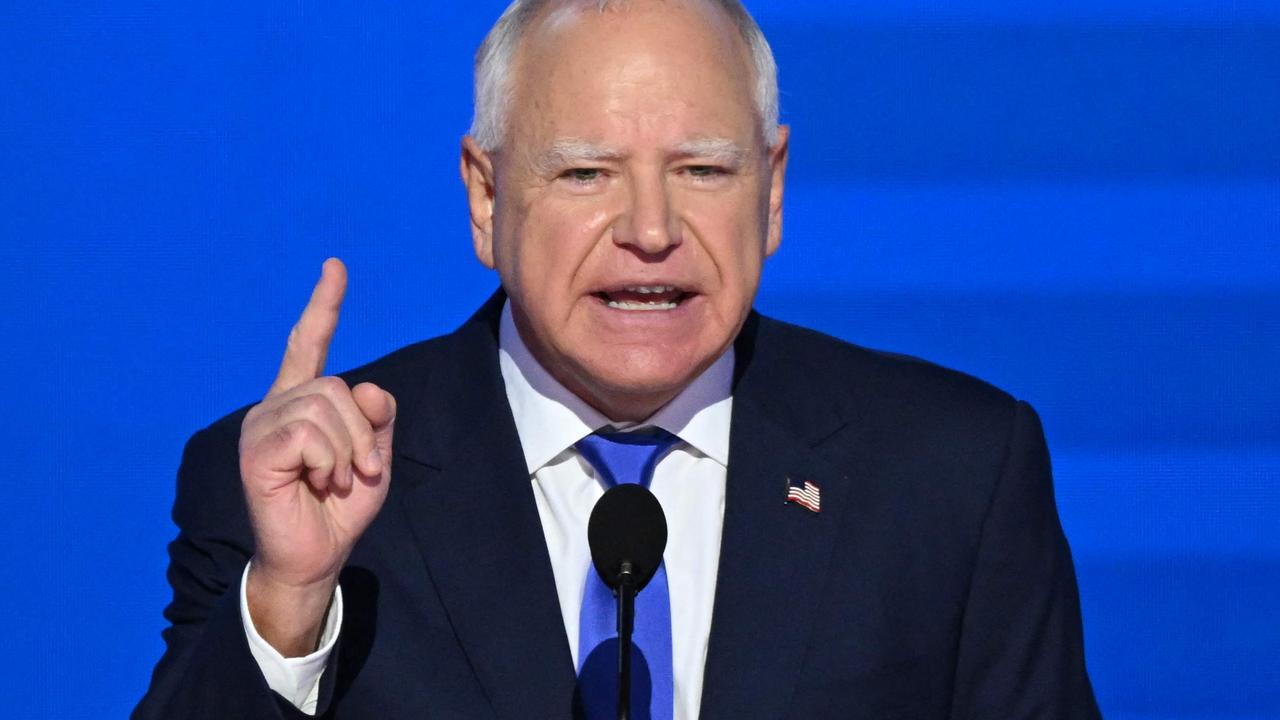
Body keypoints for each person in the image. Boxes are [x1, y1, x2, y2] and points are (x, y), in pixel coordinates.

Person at [135, 0, 1101, 718]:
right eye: (586, 172)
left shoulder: (954, 474)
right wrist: (291, 606)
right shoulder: (302, 493)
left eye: (703, 170)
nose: (650, 230)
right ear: (485, 197)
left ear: (771, 193)